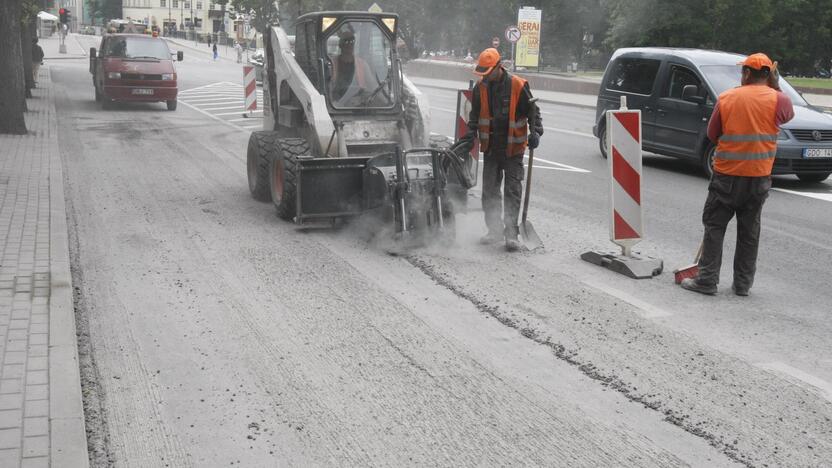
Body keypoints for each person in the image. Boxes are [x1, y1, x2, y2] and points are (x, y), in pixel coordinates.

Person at [681, 53, 794, 296]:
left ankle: (707, 280)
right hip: (758, 179)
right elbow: (787, 115)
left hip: (727, 176)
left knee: (715, 226)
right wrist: (774, 85)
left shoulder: (728, 97)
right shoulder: (779, 100)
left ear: (746, 73)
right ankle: (742, 285)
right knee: (749, 232)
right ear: (769, 75)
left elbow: (713, 134)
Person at [456, 48, 543, 251]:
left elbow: (533, 111)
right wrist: (470, 135)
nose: (485, 77)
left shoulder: (517, 85)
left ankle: (511, 234)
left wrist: (536, 131)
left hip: (513, 149)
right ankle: (494, 231)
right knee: (490, 192)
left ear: (498, 66)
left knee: (512, 191)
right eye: (482, 73)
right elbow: (475, 116)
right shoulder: (480, 88)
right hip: (492, 149)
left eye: (488, 72)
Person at [329, 30, 378, 104]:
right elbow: (328, 86)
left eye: (351, 42)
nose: (349, 45)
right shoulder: (332, 63)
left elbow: (372, 86)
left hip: (357, 103)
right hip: (337, 104)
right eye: (346, 42)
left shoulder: (362, 64)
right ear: (340, 45)